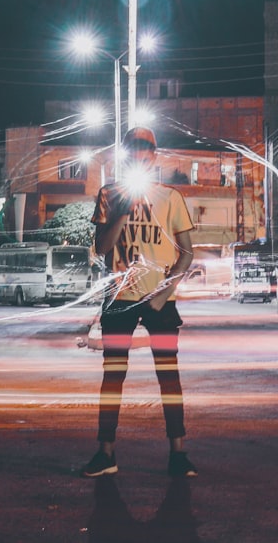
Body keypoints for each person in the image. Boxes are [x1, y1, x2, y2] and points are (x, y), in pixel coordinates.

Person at [83, 126, 197, 479]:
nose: (139, 156)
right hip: (119, 298)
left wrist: (165, 292)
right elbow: (102, 248)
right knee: (113, 376)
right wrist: (122, 210)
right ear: (125, 155)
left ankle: (178, 453)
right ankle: (106, 453)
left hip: (159, 299)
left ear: (154, 157)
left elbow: (187, 253)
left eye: (146, 151)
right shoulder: (108, 194)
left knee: (169, 376)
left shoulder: (170, 197)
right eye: (133, 150)